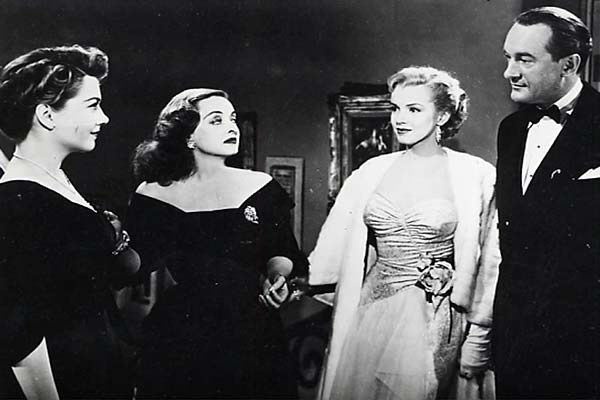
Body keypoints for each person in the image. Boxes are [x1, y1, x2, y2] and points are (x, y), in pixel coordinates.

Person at [309, 66, 500, 400]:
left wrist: (479, 337)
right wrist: (297, 277)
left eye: (414, 109)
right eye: (396, 108)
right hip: (370, 310)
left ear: (442, 116)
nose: (400, 119)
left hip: (433, 317)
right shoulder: (371, 171)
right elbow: (334, 247)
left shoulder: (475, 175)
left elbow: (490, 263)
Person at [126, 88, 308, 398]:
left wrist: (277, 276)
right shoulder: (152, 192)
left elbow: (282, 251)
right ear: (188, 136)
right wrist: (114, 239)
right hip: (181, 333)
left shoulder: (260, 186)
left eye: (233, 118)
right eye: (216, 120)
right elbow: (135, 266)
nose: (232, 127)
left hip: (253, 330)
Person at [0, 45, 139, 399]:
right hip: (65, 380)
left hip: (101, 368)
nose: (104, 118)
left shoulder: (58, 181)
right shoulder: (15, 201)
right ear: (46, 114)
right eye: (92, 105)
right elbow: (18, 332)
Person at [494, 6, 600, 398]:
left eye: (524, 59)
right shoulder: (510, 130)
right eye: (508, 57)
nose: (509, 72)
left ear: (568, 65)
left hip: (584, 347)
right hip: (515, 340)